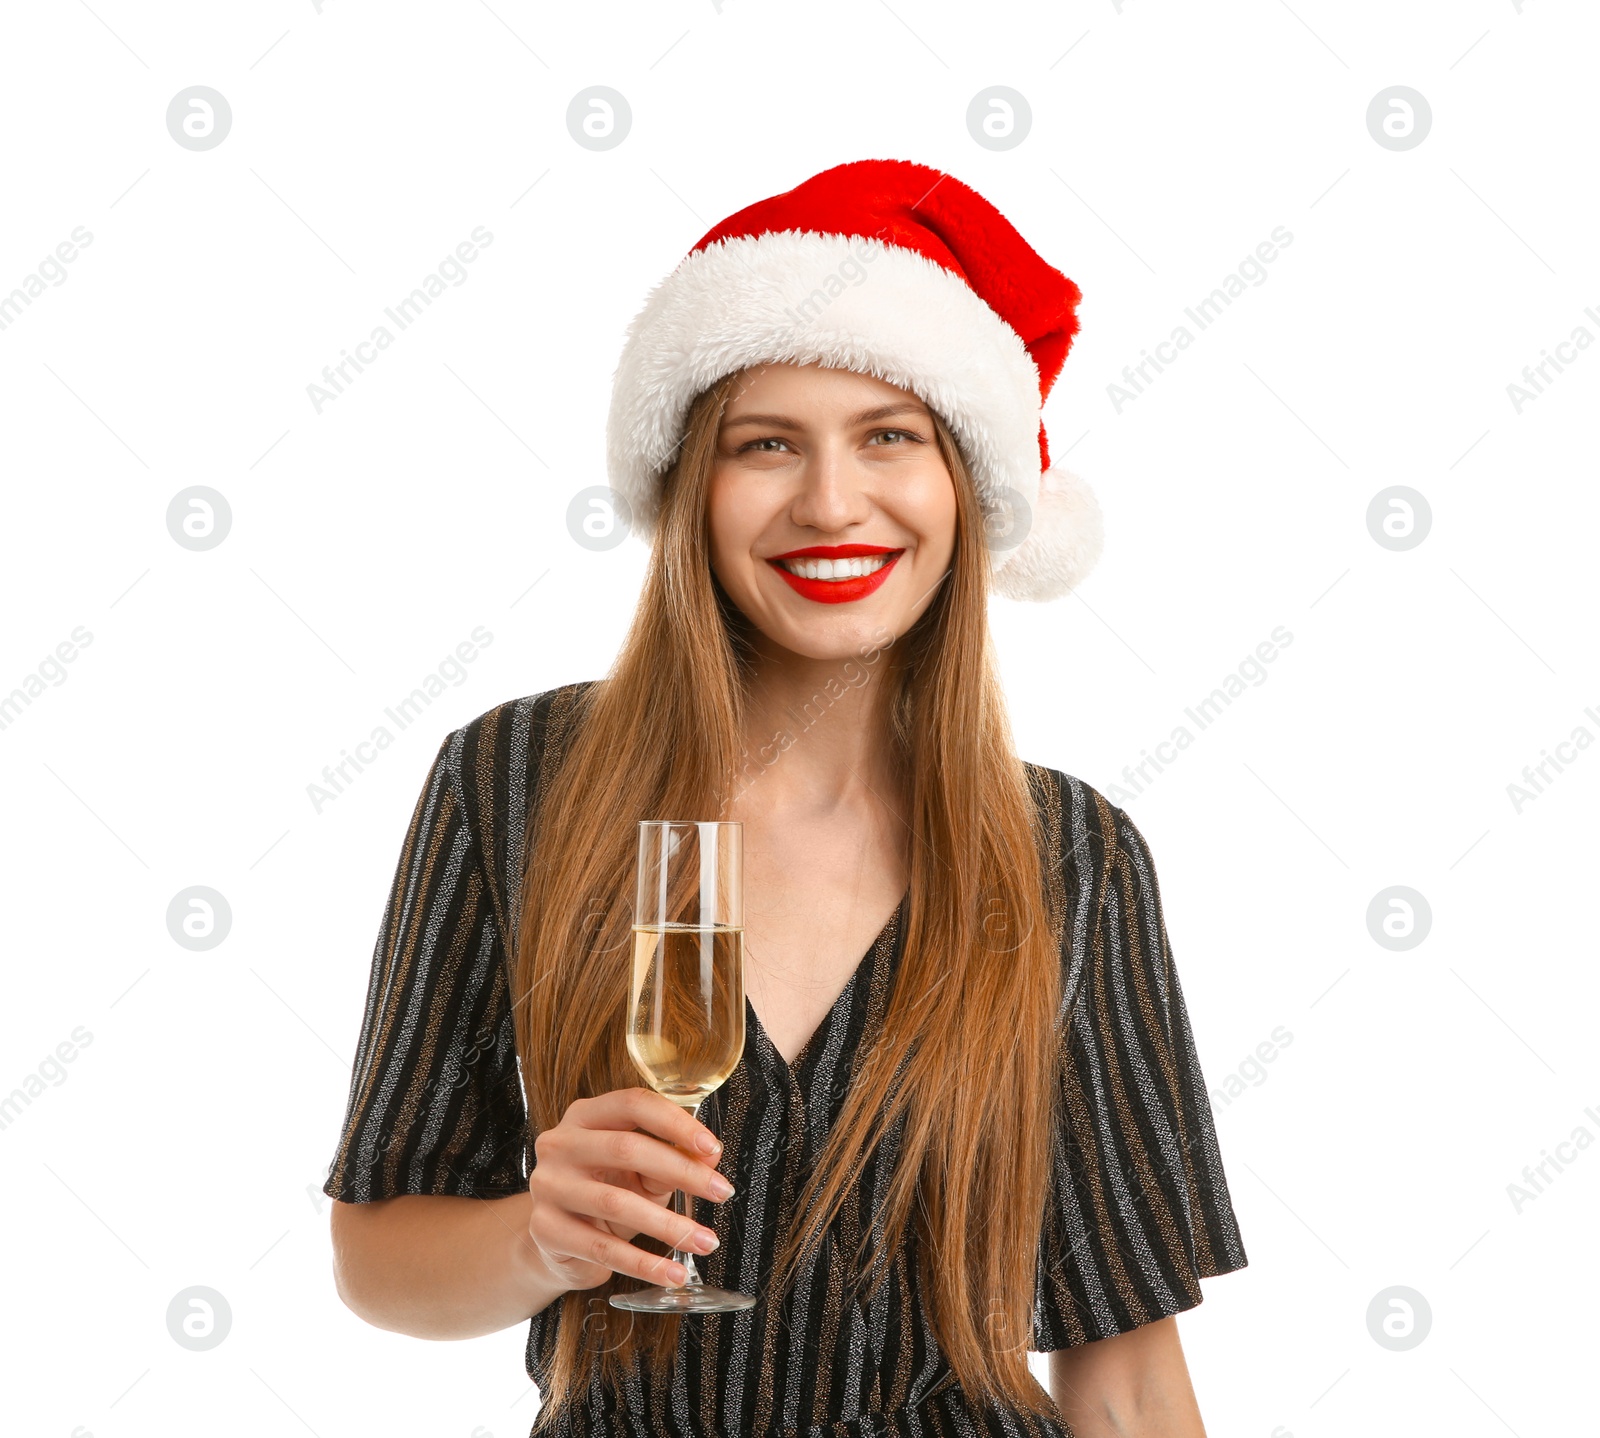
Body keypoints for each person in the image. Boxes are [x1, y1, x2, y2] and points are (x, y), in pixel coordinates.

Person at [322, 158, 1248, 1438]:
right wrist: (541, 1237)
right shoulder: (514, 781)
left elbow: (1125, 1377)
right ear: (691, 487)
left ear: (965, 491)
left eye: (890, 436)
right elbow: (377, 1254)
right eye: (768, 444)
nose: (828, 502)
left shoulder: (1069, 853)